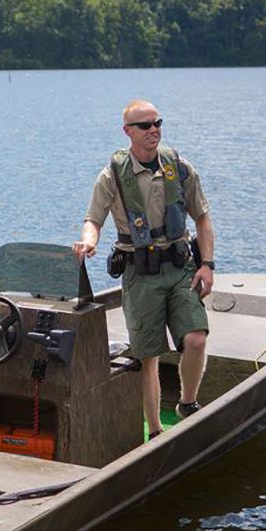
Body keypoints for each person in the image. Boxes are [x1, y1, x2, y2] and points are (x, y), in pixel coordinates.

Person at [73, 100, 215, 437]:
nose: (153, 130)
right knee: (149, 355)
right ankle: (154, 429)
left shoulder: (178, 167)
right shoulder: (112, 176)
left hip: (181, 266)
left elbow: (203, 218)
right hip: (140, 272)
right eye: (144, 126)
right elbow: (93, 219)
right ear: (127, 132)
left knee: (196, 338)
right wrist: (87, 241)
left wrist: (207, 265)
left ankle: (187, 403)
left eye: (157, 123)